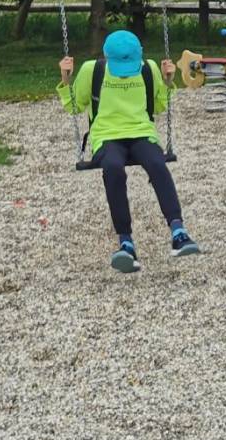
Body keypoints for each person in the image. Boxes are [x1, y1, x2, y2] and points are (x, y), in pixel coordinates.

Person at [58, 29, 199, 273]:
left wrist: (167, 82)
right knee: (113, 168)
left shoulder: (149, 68)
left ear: (140, 56)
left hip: (141, 132)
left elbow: (158, 106)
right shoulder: (93, 70)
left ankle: (178, 232)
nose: (124, 72)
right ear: (106, 57)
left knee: (157, 163)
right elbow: (74, 107)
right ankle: (126, 242)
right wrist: (65, 79)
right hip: (106, 136)